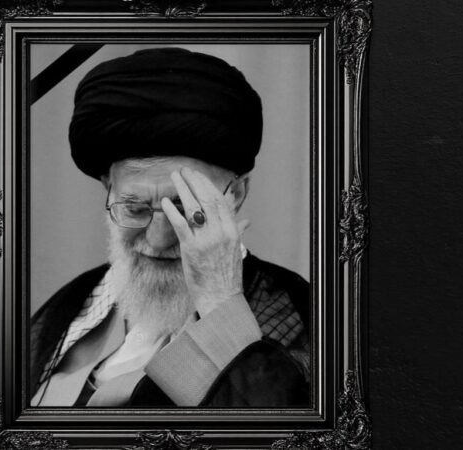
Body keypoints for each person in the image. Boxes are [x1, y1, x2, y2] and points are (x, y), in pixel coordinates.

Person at [30, 47, 309, 408]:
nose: (158, 239)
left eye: (186, 210)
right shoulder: (72, 304)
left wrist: (220, 303)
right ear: (108, 189)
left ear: (236, 195)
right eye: (135, 208)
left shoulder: (300, 314)